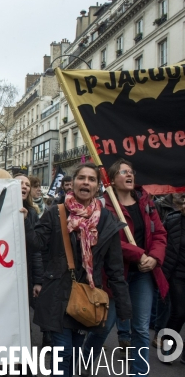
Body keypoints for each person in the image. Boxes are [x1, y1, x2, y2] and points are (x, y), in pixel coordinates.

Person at [27, 163, 131, 376]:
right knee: (63, 352)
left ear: (97, 186)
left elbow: (115, 268)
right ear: (72, 184)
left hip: (86, 297)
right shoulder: (55, 213)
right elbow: (35, 243)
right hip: (57, 295)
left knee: (74, 353)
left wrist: (124, 307)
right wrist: (24, 219)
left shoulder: (106, 220)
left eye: (91, 179)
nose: (86, 182)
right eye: (81, 178)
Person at [81, 159, 167, 376]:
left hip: (142, 275)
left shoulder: (146, 203)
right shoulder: (101, 206)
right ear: (111, 178)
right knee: (102, 327)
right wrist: (139, 254)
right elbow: (104, 238)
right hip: (113, 276)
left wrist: (154, 258)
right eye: (123, 172)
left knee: (140, 329)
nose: (129, 175)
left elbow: (159, 235)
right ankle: (81, 364)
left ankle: (139, 372)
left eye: (131, 172)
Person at [161, 193, 185, 365]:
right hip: (177, 273)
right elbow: (161, 242)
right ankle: (168, 346)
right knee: (179, 311)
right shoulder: (173, 220)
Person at [14, 174, 43, 308]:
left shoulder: (31, 214)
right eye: (20, 183)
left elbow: (36, 249)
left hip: (25, 274)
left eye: (27, 184)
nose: (24, 186)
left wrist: (38, 281)